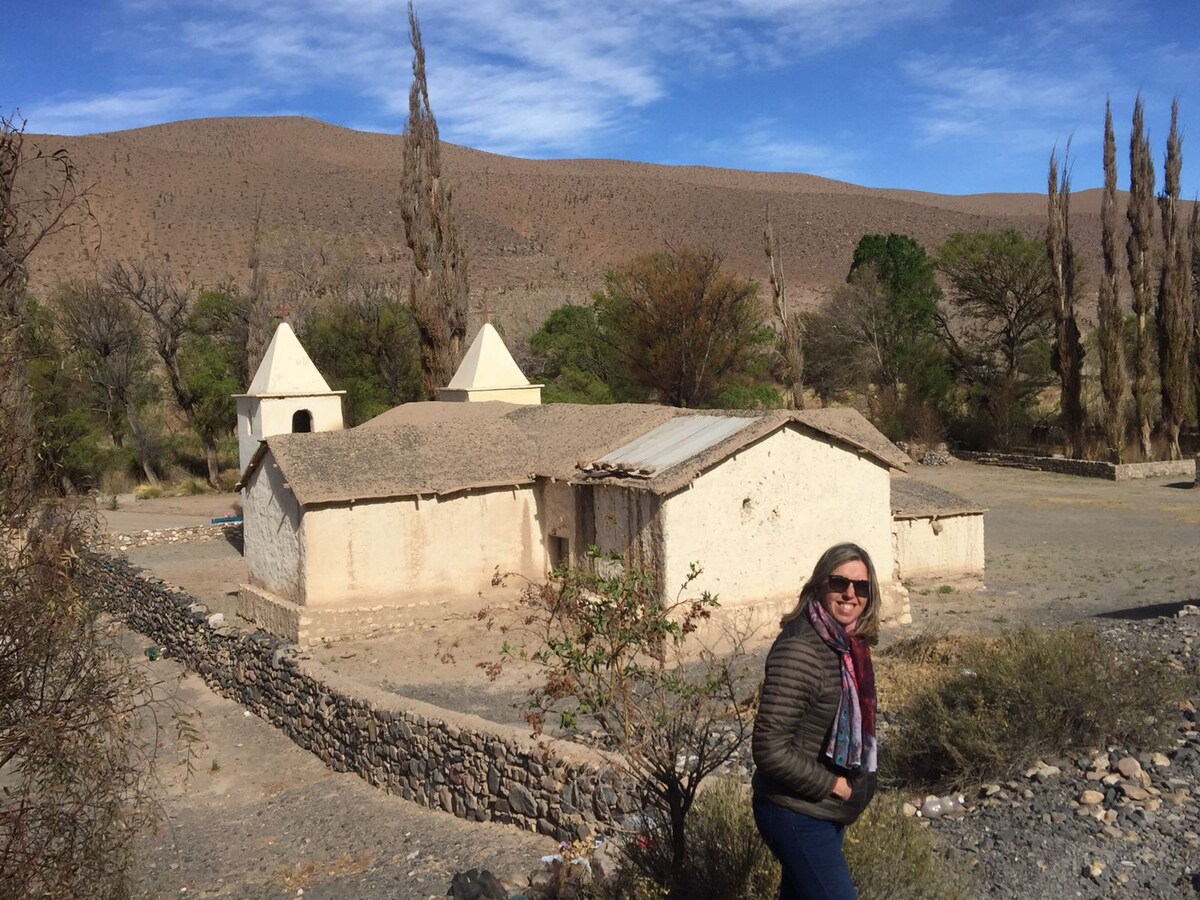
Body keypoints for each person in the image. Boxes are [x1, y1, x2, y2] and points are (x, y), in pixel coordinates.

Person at [752, 542, 880, 900]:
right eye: (840, 583)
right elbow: (768, 748)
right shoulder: (800, 649)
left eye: (861, 587)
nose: (850, 594)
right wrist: (834, 786)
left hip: (824, 811)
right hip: (795, 812)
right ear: (820, 585)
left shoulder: (847, 647)